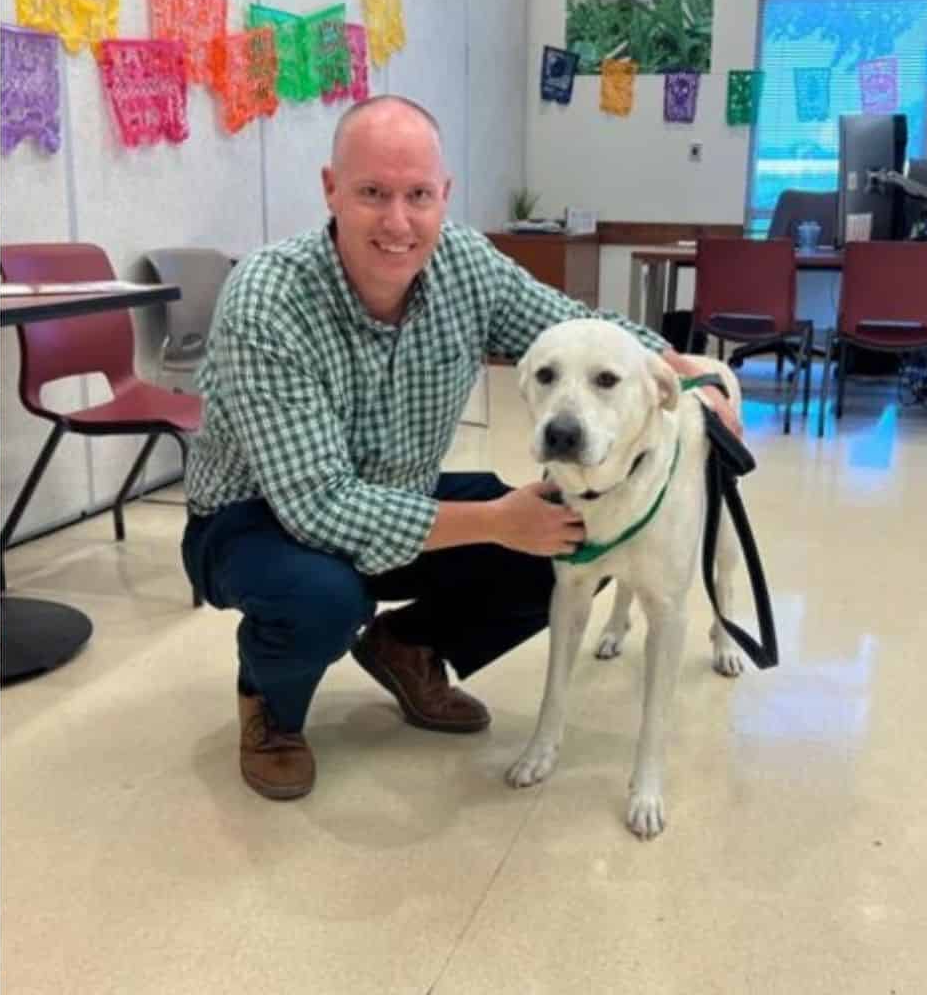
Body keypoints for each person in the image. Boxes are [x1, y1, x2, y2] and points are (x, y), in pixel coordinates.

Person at [178, 95, 741, 801]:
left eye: (418, 195)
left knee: (566, 546)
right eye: (372, 194)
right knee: (326, 593)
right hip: (255, 521)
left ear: (444, 195)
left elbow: (574, 325)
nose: (397, 221)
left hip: (399, 495)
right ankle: (270, 707)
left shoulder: (464, 265)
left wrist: (681, 368)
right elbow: (317, 507)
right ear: (331, 190)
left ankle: (407, 648)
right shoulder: (266, 299)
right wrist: (499, 522)